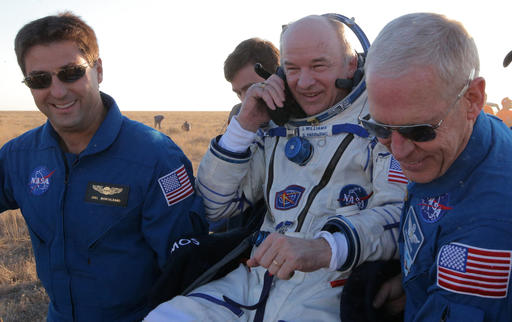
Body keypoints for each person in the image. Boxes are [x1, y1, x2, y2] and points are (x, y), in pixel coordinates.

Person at [145, 14, 406, 321]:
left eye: (318, 66)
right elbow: (214, 209)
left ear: (350, 64)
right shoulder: (274, 125)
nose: (304, 82)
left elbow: (400, 216)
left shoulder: (381, 117)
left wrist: (325, 246)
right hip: (254, 279)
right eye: (293, 69)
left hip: (332, 283)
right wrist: (244, 126)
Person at [1, 12, 207, 321]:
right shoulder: (20, 155)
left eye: (71, 73)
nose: (57, 91)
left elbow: (187, 269)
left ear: (98, 70)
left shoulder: (155, 158)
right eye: (40, 79)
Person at [362, 12, 512, 321]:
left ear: (472, 99)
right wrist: (418, 282)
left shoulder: (488, 233)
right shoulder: (460, 140)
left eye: (420, 131)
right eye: (380, 128)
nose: (399, 151)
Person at [224, 37, 280, 124]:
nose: (244, 101)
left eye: (251, 88)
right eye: (238, 93)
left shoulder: (303, 115)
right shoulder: (237, 116)